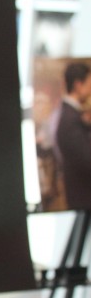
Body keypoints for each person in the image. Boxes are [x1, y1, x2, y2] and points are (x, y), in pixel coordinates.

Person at [54, 61, 91, 209]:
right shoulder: (70, 119)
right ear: (78, 85)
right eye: (89, 83)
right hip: (84, 198)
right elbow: (86, 159)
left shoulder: (73, 115)